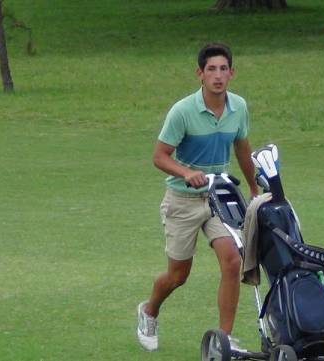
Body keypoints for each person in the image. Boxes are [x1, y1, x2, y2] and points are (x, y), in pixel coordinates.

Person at [137, 42, 258, 352]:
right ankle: (149, 310)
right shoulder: (183, 111)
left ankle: (225, 339)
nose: (218, 76)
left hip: (221, 197)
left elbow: (242, 149)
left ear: (231, 73)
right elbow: (159, 156)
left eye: (223, 69)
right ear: (200, 74)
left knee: (232, 261)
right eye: (211, 70)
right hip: (182, 200)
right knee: (178, 275)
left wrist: (255, 190)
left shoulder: (239, 107)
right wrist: (185, 173)